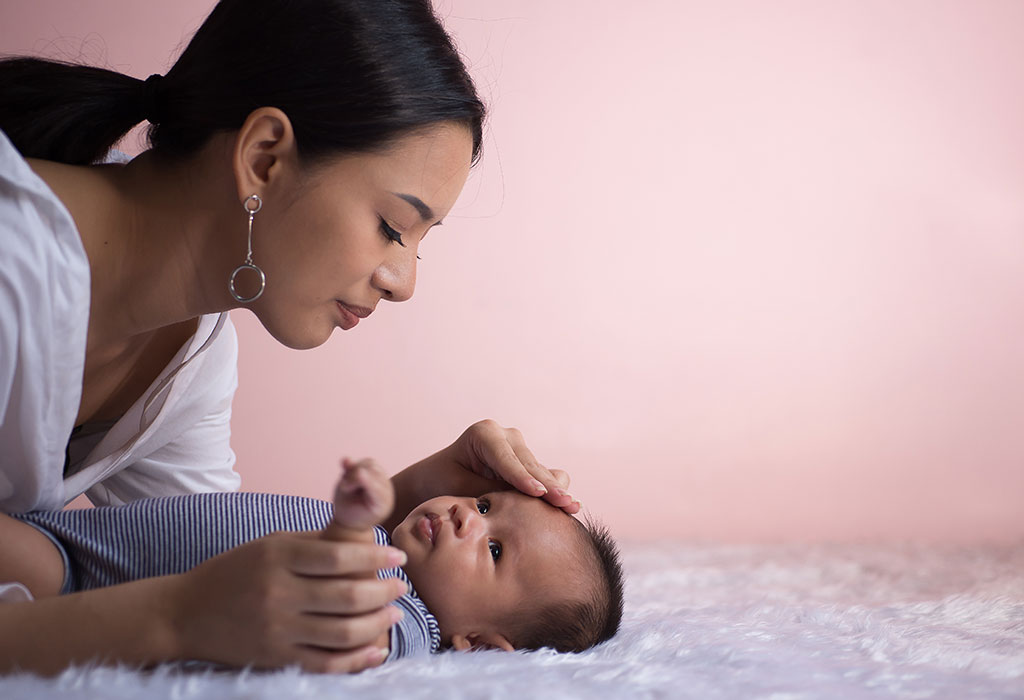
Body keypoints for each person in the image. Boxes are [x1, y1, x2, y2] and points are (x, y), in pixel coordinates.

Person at [0, 0, 578, 674]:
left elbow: (198, 558)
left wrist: (406, 493)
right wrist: (172, 620)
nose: (403, 282)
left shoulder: (195, 357)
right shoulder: (14, 263)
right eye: (395, 226)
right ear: (266, 157)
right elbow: (186, 602)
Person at [2, 459, 623, 665]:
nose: (468, 514)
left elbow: (350, 636)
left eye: (493, 550)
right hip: (75, 539)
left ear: (481, 643)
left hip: (77, 578)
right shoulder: (395, 558)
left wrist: (351, 528)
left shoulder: (403, 621)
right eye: (486, 503)